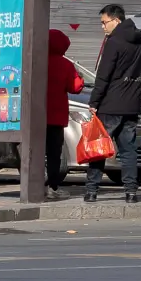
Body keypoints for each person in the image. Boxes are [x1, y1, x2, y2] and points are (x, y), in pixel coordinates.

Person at [86, 4, 141, 203]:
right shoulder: (140, 41)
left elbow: (103, 76)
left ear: (116, 20)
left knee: (98, 149)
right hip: (130, 104)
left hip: (110, 104)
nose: (103, 27)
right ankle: (131, 192)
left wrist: (94, 101)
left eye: (104, 22)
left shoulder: (114, 42)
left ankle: (92, 190)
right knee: (128, 150)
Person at [45, 29, 84, 201]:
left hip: (35, 117)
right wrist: (80, 78)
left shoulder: (35, 60)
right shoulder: (65, 64)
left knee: (35, 152)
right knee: (54, 154)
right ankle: (52, 186)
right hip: (56, 117)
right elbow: (75, 87)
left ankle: (34, 184)